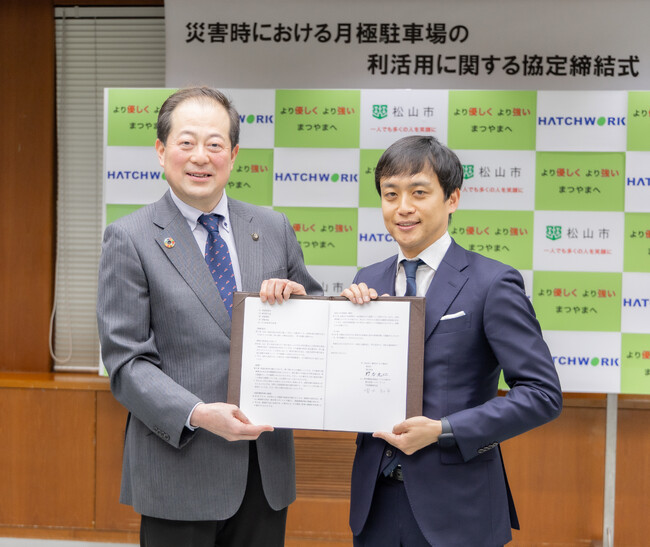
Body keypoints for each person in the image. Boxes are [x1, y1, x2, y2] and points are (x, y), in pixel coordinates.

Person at [96, 86, 322, 547]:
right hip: (178, 467)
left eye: (215, 144)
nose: (201, 156)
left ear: (233, 155)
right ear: (161, 151)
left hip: (264, 471)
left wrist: (302, 305)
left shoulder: (272, 227)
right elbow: (126, 362)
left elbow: (317, 323)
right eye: (186, 142)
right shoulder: (129, 237)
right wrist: (197, 414)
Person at [341, 135, 563, 547]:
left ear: (452, 199)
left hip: (459, 509)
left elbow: (542, 394)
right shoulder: (366, 281)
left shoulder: (492, 282)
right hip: (376, 506)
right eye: (390, 194)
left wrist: (444, 430)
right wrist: (337, 327)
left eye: (419, 192)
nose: (403, 207)